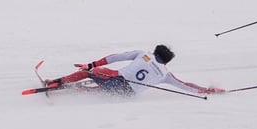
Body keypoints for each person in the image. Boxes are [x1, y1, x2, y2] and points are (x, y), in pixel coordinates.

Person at [43, 45, 225, 96]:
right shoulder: (165, 74)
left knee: (88, 73)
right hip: (128, 93)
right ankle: (83, 89)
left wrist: (91, 65)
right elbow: (185, 86)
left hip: (116, 81)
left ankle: (55, 83)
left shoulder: (144, 54)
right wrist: (207, 90)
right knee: (104, 83)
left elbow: (115, 57)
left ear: (155, 51)